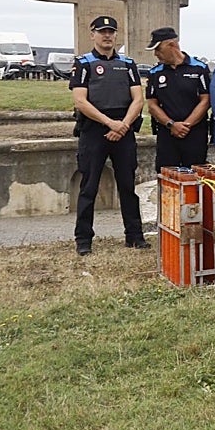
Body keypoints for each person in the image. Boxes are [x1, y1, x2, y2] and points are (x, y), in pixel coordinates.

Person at [69, 15, 147, 255]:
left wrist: (122, 125)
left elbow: (138, 99)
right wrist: (109, 123)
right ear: (93, 34)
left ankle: (134, 236)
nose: (107, 36)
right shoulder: (84, 63)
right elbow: (80, 101)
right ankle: (84, 240)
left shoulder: (127, 63)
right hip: (94, 131)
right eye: (102, 32)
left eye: (111, 32)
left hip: (123, 130)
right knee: (88, 187)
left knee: (127, 186)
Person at [145, 27, 211, 171]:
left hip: (194, 134)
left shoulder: (199, 68)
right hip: (167, 134)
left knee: (196, 177)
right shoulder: (155, 72)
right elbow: (152, 105)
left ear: (172, 45)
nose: (156, 54)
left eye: (158, 49)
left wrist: (186, 125)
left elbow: (205, 100)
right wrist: (172, 125)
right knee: (167, 178)